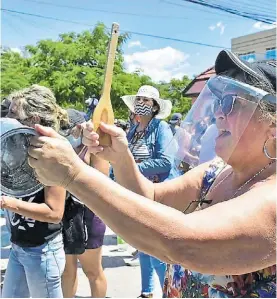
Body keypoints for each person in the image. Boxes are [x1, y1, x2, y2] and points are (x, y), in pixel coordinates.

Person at [28, 51, 276, 298]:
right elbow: (152, 197)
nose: (218, 113)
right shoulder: (216, 172)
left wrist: (74, 176)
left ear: (273, 124)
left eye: (233, 102)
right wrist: (120, 158)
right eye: (219, 101)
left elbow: (185, 244)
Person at [1, 85, 67, 298]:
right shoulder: (14, 146)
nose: (6, 116)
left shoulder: (51, 153)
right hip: (18, 246)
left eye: (13, 113)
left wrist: (6, 203)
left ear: (34, 119)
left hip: (43, 252)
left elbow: (55, 212)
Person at [121, 85, 174, 297]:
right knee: (142, 244)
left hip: (158, 194)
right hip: (139, 195)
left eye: (147, 101)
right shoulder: (133, 131)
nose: (141, 104)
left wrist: (131, 168)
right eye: (139, 100)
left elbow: (165, 162)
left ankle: (167, 292)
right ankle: (147, 291)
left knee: (157, 251)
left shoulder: (162, 128)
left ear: (155, 107)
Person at [61, 109, 108, 298]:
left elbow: (102, 182)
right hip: (65, 213)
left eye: (70, 129)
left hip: (89, 213)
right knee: (67, 269)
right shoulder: (60, 147)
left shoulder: (93, 149)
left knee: (92, 271)